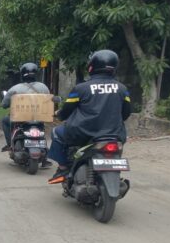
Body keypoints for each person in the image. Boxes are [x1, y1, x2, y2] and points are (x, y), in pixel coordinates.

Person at [47, 50, 132, 183]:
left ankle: (63, 168)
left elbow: (66, 111)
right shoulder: (122, 89)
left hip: (84, 133)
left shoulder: (81, 89)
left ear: (92, 67)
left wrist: (60, 115)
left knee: (56, 132)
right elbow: (126, 113)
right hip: (114, 134)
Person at [0, 63, 51, 152]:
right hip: (39, 118)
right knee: (41, 127)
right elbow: (48, 101)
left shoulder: (15, 88)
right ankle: (44, 151)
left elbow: (4, 104)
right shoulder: (44, 87)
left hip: (20, 119)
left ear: (22, 74)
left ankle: (9, 144)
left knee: (5, 120)